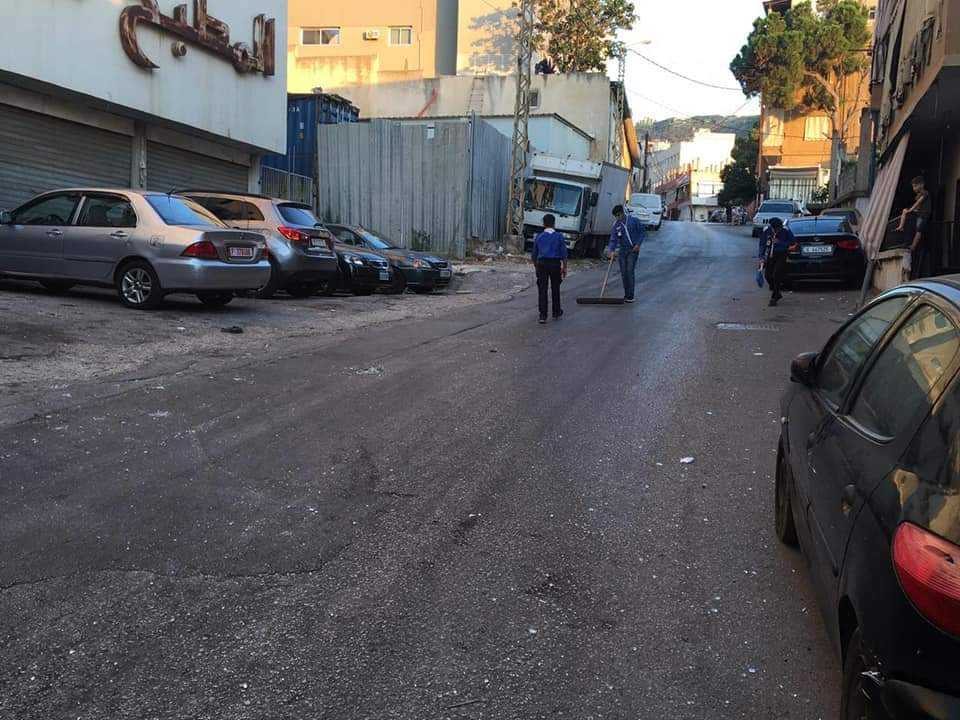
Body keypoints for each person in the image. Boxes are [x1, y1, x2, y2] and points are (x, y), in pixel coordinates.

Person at [531, 213, 568, 323]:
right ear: (554, 224)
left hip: (542, 264)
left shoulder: (539, 237)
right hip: (555, 264)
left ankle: (543, 315)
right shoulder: (559, 236)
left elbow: (534, 255)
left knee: (542, 289)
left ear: (544, 224)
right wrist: (564, 267)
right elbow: (564, 254)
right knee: (555, 288)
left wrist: (536, 266)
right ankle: (556, 311)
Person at [607, 205, 645, 303]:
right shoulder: (616, 225)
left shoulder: (634, 221)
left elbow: (642, 232)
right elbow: (613, 239)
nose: (617, 217)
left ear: (622, 213)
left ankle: (631, 296)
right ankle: (626, 294)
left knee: (629, 271)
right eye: (616, 216)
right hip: (622, 251)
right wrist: (611, 250)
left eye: (618, 215)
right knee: (624, 273)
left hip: (633, 250)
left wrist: (638, 244)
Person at [897, 176, 933, 279]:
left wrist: (911, 209)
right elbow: (918, 205)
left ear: (921, 184)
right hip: (920, 213)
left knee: (919, 230)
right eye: (913, 186)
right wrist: (910, 210)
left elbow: (919, 203)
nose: (914, 188)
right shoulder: (918, 195)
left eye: (915, 186)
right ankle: (901, 226)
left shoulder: (925, 193)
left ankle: (913, 246)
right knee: (905, 211)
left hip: (924, 215)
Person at [758, 217, 794, 307]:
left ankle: (774, 297)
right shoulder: (767, 230)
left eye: (779, 228)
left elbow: (792, 242)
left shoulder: (785, 230)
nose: (778, 230)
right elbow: (762, 244)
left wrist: (780, 242)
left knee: (776, 275)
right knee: (768, 276)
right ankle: (777, 292)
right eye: (776, 229)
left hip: (781, 254)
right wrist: (761, 257)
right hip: (770, 255)